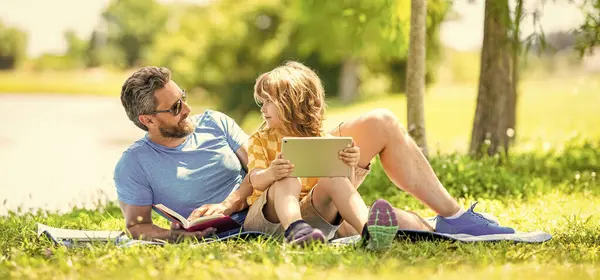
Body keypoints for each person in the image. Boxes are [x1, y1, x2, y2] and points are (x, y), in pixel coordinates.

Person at [114, 65, 513, 243]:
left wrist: (345, 172)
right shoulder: (134, 163)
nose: (187, 110)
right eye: (175, 108)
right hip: (258, 212)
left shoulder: (214, 122)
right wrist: (177, 235)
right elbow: (137, 226)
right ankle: (368, 228)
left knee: (381, 122)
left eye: (183, 98)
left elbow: (255, 168)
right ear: (148, 119)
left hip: (288, 197)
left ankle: (453, 219)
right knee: (292, 180)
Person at [242, 61, 399, 249]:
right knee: (288, 179)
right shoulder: (260, 139)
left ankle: (370, 233)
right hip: (267, 220)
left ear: (290, 102)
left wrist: (349, 164)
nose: (262, 108)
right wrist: (271, 173)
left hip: (312, 221)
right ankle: (295, 231)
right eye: (262, 101)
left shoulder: (322, 139)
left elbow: (341, 190)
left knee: (336, 178)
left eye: (269, 101)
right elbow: (255, 180)